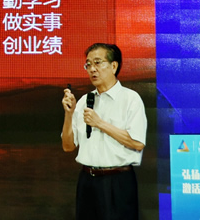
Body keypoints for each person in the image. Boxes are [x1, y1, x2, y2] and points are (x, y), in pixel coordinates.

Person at [61, 43, 147, 220]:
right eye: (88, 64)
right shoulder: (84, 101)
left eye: (98, 63)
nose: (92, 69)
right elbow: (68, 146)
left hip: (118, 181)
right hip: (87, 181)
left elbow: (137, 143)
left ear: (114, 66)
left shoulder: (130, 99)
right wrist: (69, 114)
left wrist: (99, 123)